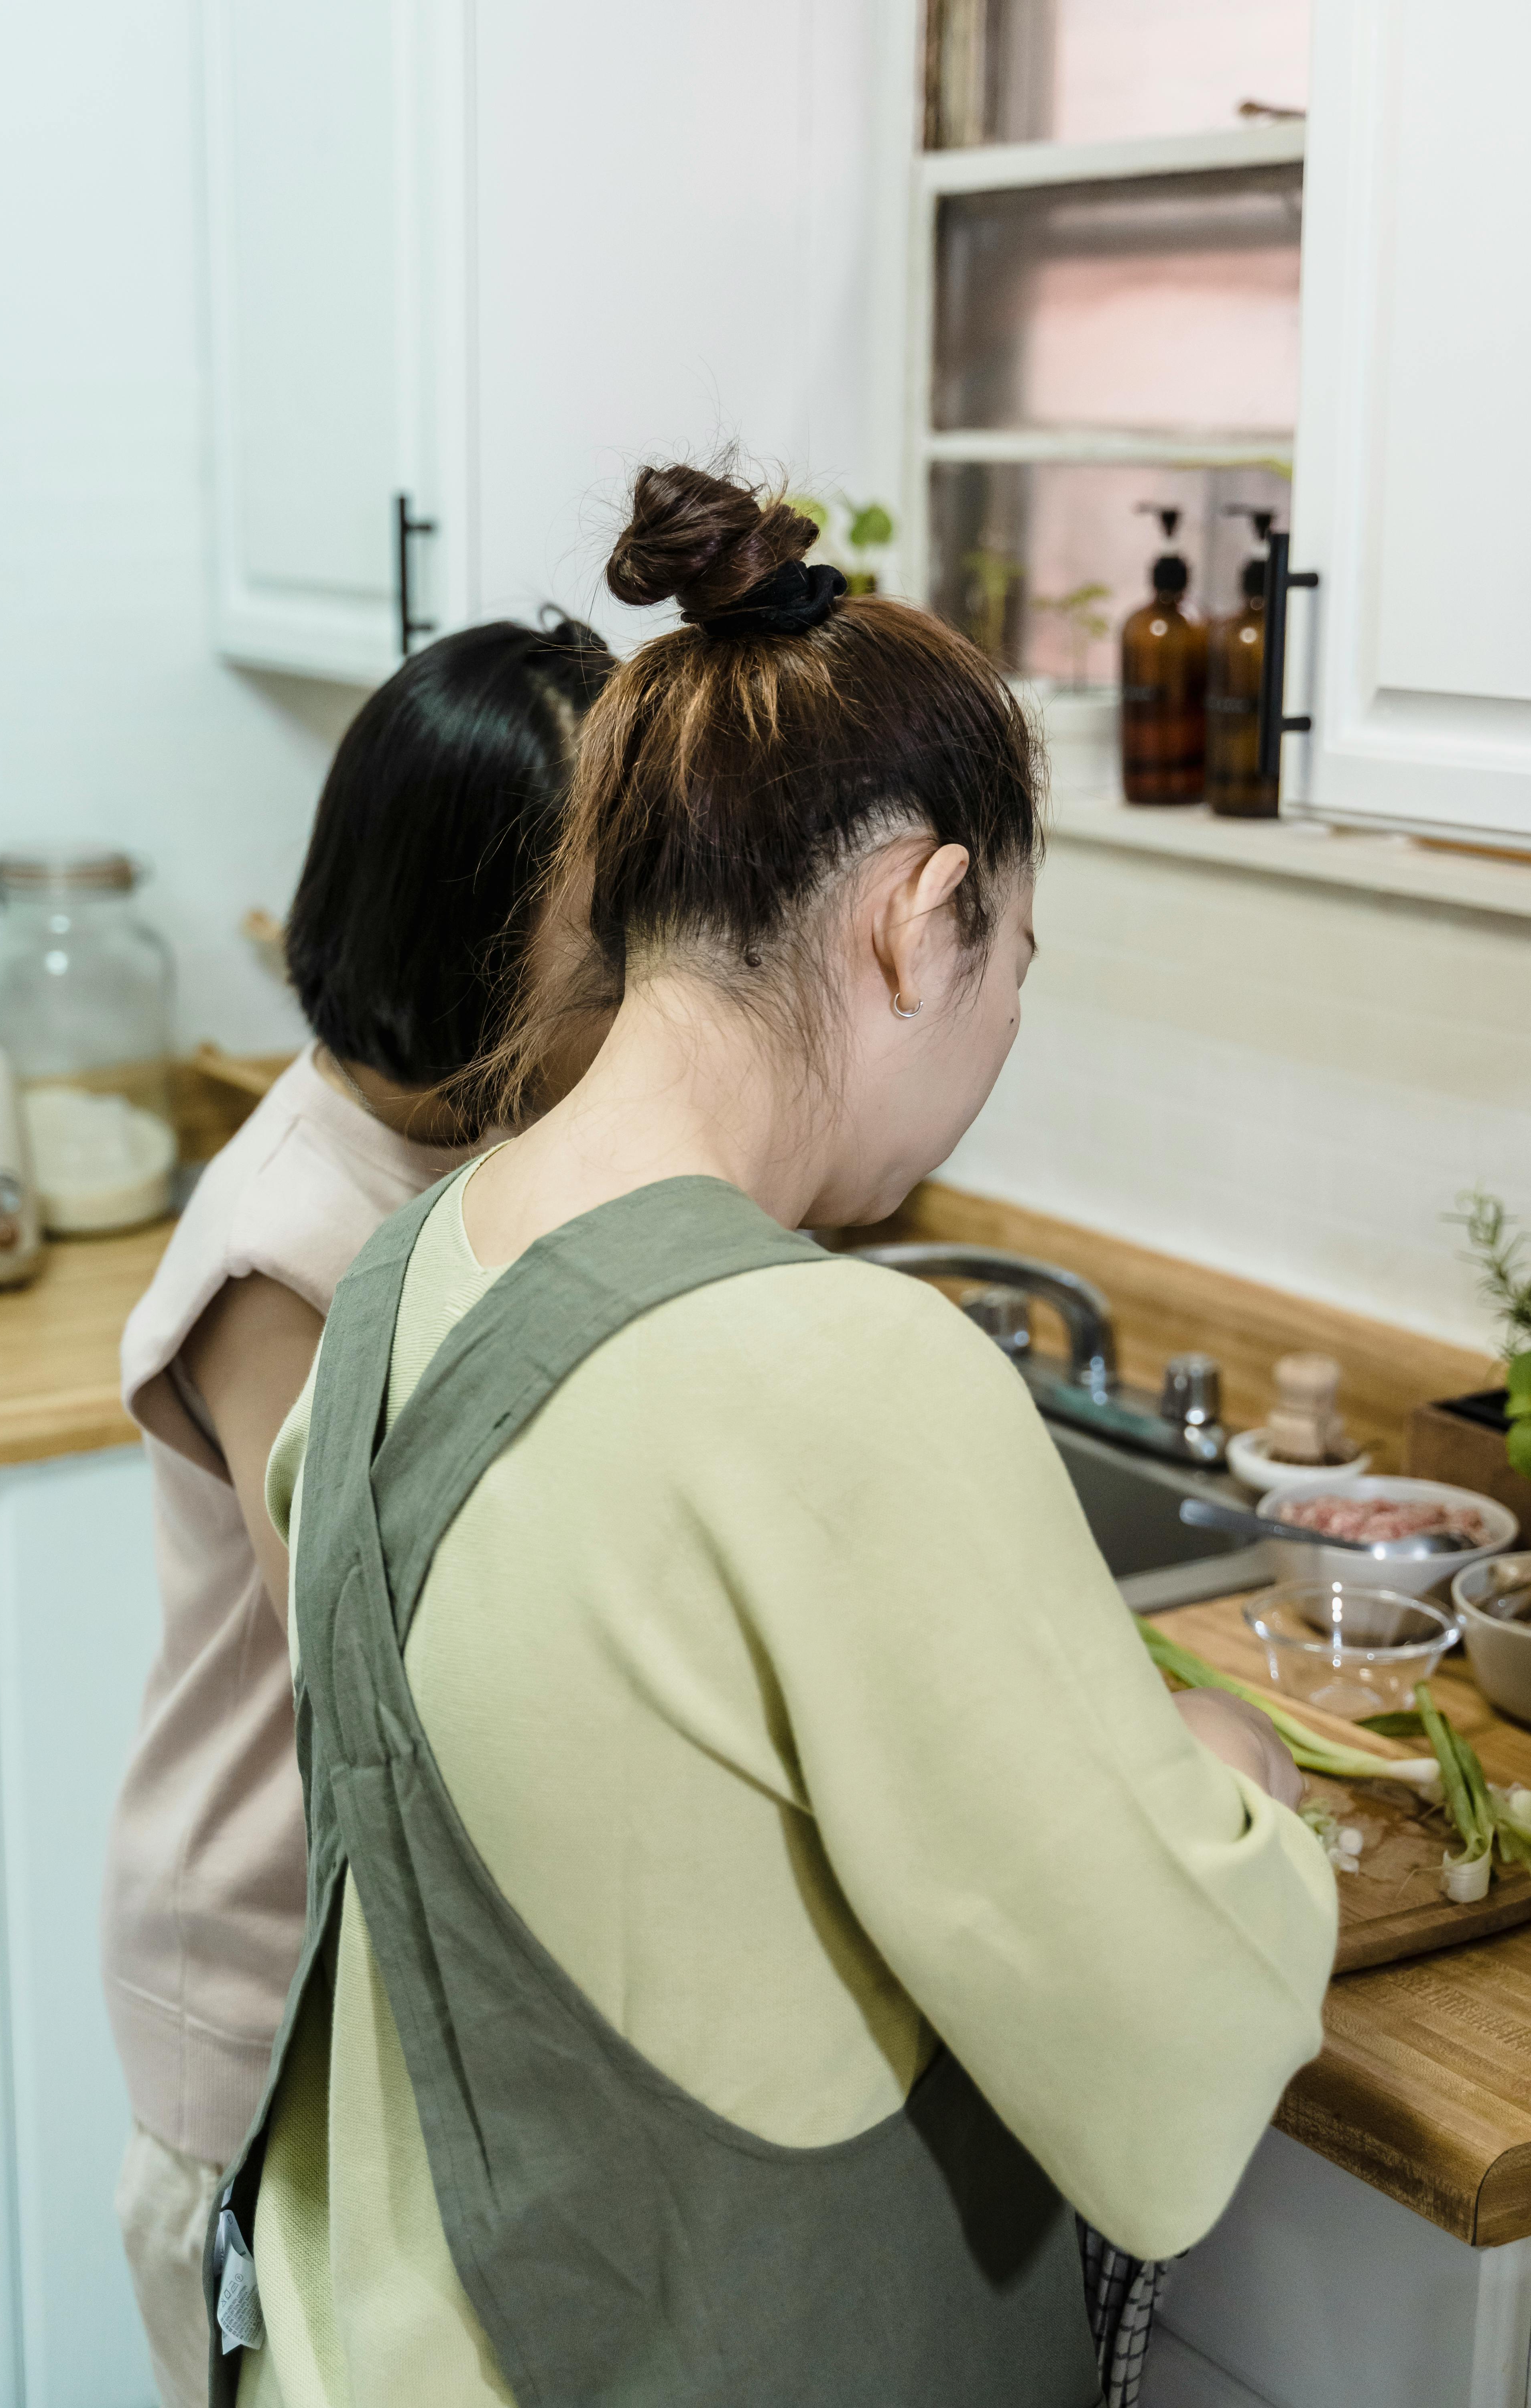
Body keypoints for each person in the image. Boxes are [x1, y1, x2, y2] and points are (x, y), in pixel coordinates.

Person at [229, 466, 1336, 2408]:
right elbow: (1174, 2081)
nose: (1002, 1029)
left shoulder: (405, 1276)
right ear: (922, 921)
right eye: (1016, 966)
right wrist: (1227, 1766)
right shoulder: (837, 1370)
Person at [100, 613, 614, 2408]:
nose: (644, 974)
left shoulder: (470, 1152)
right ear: (471, 932)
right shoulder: (285, 1245)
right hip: (255, 1997)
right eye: (607, 931)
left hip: (370, 1998)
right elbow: (379, 1669)